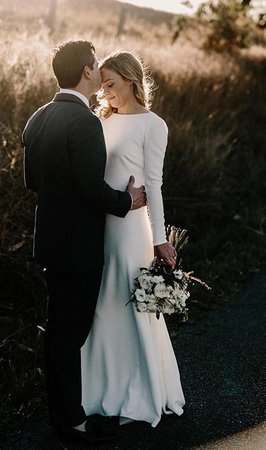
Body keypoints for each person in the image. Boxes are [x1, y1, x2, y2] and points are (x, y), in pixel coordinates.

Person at [22, 41, 146, 445]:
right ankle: (70, 421)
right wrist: (128, 201)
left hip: (50, 244)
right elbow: (92, 190)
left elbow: (32, 181)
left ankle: (64, 412)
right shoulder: (85, 122)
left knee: (59, 330)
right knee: (69, 334)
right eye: (94, 65)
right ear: (86, 72)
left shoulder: (39, 117)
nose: (98, 70)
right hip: (79, 248)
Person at [81, 51, 185, 427]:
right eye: (102, 84)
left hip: (129, 231)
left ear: (130, 80)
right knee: (99, 306)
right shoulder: (99, 121)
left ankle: (140, 392)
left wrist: (159, 239)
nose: (104, 91)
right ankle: (99, 388)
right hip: (97, 226)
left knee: (127, 303)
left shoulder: (152, 125)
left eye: (111, 84)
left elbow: (154, 186)